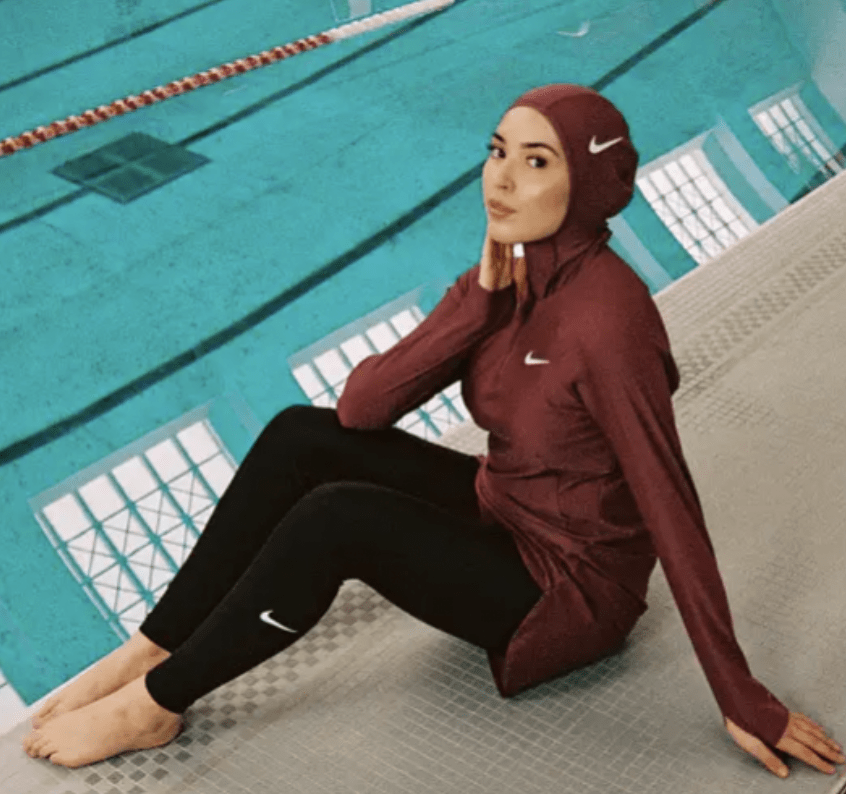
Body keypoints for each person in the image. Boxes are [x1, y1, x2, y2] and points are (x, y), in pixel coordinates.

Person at [22, 84, 843, 779]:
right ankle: (153, 647)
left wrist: (741, 692)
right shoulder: (515, 269)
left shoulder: (611, 323)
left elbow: (671, 505)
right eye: (497, 151)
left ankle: (159, 707)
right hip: (504, 509)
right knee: (300, 434)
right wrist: (477, 301)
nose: (501, 181)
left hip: (565, 589)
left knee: (336, 517)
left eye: (537, 161)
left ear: (590, 184)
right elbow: (360, 411)